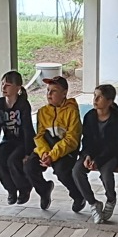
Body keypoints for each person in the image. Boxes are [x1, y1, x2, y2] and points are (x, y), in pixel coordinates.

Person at [23, 76, 85, 212]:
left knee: (62, 171)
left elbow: (72, 140)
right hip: (47, 149)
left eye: (54, 91)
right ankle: (44, 189)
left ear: (64, 93)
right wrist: (44, 153)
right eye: (48, 90)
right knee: (29, 167)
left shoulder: (72, 112)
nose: (49, 94)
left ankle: (78, 196)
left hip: (66, 150)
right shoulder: (42, 112)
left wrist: (52, 156)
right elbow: (39, 136)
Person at [73, 84, 118, 223]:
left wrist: (97, 161)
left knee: (106, 173)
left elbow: (113, 145)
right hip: (92, 153)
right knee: (77, 171)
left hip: (111, 154)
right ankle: (93, 203)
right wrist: (87, 156)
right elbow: (87, 140)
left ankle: (111, 199)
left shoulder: (116, 118)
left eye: (100, 97)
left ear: (109, 101)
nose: (95, 99)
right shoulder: (90, 116)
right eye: (94, 96)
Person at [0, 71, 36, 205]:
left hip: (23, 141)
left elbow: (27, 129)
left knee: (13, 161)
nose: (3, 87)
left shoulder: (23, 104)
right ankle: (11, 190)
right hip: (8, 140)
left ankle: (24, 188)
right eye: (2, 84)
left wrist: (28, 152)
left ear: (18, 88)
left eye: (8, 85)